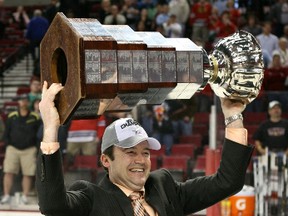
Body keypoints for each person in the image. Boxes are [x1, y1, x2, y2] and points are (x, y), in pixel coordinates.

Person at [36, 81, 253, 215]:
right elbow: (53, 206)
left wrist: (233, 114)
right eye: (130, 152)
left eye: (145, 152)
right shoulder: (92, 197)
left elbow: (228, 182)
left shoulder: (164, 186)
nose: (141, 159)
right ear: (105, 160)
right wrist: (51, 128)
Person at [1, 93, 41, 205]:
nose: (23, 102)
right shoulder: (11, 116)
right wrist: (8, 144)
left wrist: (36, 147)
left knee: (27, 173)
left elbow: (39, 134)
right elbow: (6, 132)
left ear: (28, 103)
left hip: (29, 149)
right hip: (12, 148)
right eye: (21, 100)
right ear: (18, 103)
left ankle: (25, 196)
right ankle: (6, 195)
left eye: (25, 100)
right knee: (8, 171)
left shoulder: (35, 117)